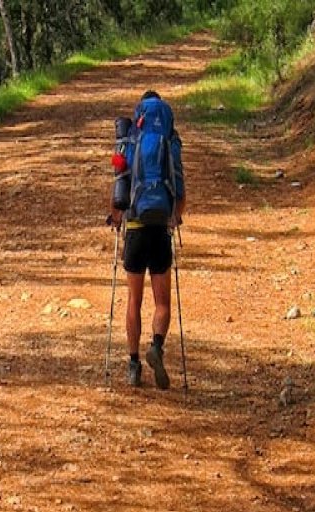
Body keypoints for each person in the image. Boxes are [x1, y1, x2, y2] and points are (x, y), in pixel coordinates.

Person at [109, 91, 186, 389]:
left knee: (133, 300)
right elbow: (180, 192)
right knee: (162, 302)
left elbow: (119, 183)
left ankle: (133, 365)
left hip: (136, 227)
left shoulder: (130, 138)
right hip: (160, 230)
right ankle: (155, 346)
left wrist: (116, 217)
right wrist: (174, 218)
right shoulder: (171, 141)